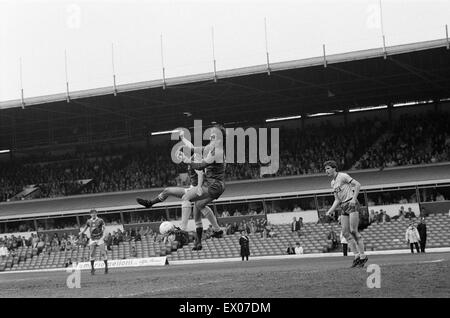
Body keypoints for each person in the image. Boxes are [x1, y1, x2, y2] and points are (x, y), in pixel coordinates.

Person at [177, 125, 227, 250]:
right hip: (217, 186)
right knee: (199, 205)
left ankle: (183, 229)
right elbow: (193, 148)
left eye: (213, 136)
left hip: (213, 186)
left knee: (186, 197)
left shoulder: (217, 152)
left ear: (219, 140)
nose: (210, 136)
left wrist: (186, 160)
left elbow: (200, 166)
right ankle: (217, 230)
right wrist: (183, 138)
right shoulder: (211, 149)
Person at [324, 160, 368, 268]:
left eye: (328, 168)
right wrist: (330, 210)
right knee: (345, 233)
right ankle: (357, 256)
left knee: (353, 231)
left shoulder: (343, 176)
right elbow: (337, 199)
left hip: (351, 203)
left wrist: (354, 199)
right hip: (343, 206)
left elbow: (357, 184)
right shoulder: (332, 183)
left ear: (334, 168)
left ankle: (363, 256)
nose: (326, 171)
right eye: (325, 169)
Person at [79, 209, 108, 275]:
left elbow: (104, 227)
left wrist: (104, 235)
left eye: (94, 213)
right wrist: (81, 232)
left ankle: (106, 267)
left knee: (103, 253)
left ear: (96, 213)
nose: (93, 214)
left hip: (100, 238)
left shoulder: (100, 220)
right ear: (90, 214)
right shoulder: (89, 221)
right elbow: (86, 227)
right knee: (92, 254)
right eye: (92, 213)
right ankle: (92, 268)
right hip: (92, 239)